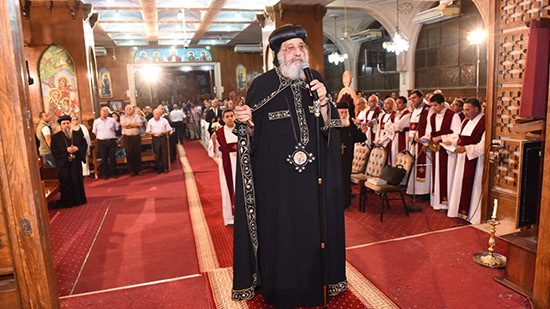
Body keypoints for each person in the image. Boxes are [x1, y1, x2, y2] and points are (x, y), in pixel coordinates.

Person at [232, 24, 346, 307]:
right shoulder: (262, 86)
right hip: (277, 185)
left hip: (312, 183)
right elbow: (252, 138)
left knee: (312, 235)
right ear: (278, 55)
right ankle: (280, 288)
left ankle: (315, 283)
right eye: (290, 48)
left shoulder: (315, 80)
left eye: (301, 47)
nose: (297, 53)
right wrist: (246, 123)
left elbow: (331, 131)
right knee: (281, 237)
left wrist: (323, 102)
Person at [420, 94, 462, 210]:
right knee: (436, 175)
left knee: (447, 175)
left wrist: (442, 138)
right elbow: (430, 131)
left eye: (435, 105)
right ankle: (436, 202)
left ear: (442, 104)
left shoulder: (452, 116)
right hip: (436, 150)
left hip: (447, 151)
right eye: (432, 105)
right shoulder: (432, 116)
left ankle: (447, 203)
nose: (433, 108)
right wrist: (425, 139)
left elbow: (457, 133)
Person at [447, 98, 485, 224]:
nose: (464, 113)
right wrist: (452, 142)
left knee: (473, 187)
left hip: (475, 161)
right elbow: (460, 137)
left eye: (467, 110)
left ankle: (472, 216)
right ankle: (460, 212)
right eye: (463, 110)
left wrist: (466, 149)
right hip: (462, 160)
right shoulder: (465, 121)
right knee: (459, 184)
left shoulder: (484, 123)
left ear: (476, 109)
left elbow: (483, 146)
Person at [208, 109, 238, 226]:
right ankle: (230, 218)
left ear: (234, 117)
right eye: (227, 116)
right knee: (227, 190)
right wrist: (214, 142)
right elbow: (213, 154)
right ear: (223, 119)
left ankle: (243, 216)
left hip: (241, 166)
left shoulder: (241, 130)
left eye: (231, 116)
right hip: (227, 166)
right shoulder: (219, 133)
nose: (230, 118)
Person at [51, 115, 88, 208]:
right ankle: (68, 202)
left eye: (68, 123)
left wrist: (77, 148)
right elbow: (54, 151)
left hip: (75, 163)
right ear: (60, 125)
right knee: (66, 182)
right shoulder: (56, 137)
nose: (66, 125)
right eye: (64, 124)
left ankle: (79, 200)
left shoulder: (77, 134)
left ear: (70, 123)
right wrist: (65, 151)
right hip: (64, 165)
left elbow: (84, 145)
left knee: (77, 180)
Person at [337, 102, 366, 209]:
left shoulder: (349, 123)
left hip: (348, 157)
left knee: (345, 179)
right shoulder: (333, 123)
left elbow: (355, 137)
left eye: (346, 112)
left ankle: (345, 202)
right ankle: (337, 201)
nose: (344, 115)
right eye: (342, 112)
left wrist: (362, 132)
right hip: (336, 158)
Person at [407, 89, 432, 196]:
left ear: (421, 97)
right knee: (413, 165)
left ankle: (423, 192)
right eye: (411, 98)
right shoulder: (415, 110)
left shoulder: (427, 109)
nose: (412, 100)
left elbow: (430, 127)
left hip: (422, 143)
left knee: (422, 167)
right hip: (413, 143)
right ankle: (413, 190)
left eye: (414, 98)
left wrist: (425, 143)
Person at [93, 107, 119, 179]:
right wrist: (101, 136)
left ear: (108, 113)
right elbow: (94, 132)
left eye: (106, 111)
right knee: (103, 158)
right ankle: (105, 174)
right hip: (102, 142)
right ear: (100, 112)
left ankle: (114, 173)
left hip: (111, 141)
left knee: (112, 157)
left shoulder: (112, 120)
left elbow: (116, 130)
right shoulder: (96, 121)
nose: (104, 113)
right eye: (103, 111)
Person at [386, 96, 411, 164]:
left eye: (399, 103)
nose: (397, 105)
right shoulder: (395, 115)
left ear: (405, 104)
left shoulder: (408, 114)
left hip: (403, 138)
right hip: (394, 138)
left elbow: (398, 127)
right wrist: (394, 126)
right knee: (394, 155)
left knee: (401, 157)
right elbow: (386, 126)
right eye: (396, 103)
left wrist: (393, 125)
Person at [146, 109, 172, 174]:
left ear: (160, 114)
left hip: (163, 137)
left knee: (164, 153)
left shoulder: (164, 120)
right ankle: (159, 168)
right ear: (153, 114)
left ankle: (165, 168)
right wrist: (154, 133)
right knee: (157, 153)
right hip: (155, 138)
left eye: (158, 114)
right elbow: (148, 131)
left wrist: (162, 132)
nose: (157, 115)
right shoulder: (150, 121)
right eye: (156, 114)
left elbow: (169, 129)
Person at [121, 105, 143, 176]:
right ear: (125, 110)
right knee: (129, 154)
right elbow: (124, 125)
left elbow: (139, 124)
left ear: (132, 109)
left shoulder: (137, 117)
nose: (128, 110)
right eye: (127, 109)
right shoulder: (122, 117)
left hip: (136, 137)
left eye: (130, 108)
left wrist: (128, 125)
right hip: (127, 138)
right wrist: (134, 125)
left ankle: (138, 170)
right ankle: (132, 171)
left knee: (137, 153)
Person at [375, 98, 396, 164]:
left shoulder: (394, 115)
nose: (385, 105)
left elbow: (391, 132)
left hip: (388, 140)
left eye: (388, 103)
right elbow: (379, 128)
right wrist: (377, 139)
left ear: (393, 105)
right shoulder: (383, 115)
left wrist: (382, 141)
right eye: (384, 103)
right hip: (380, 139)